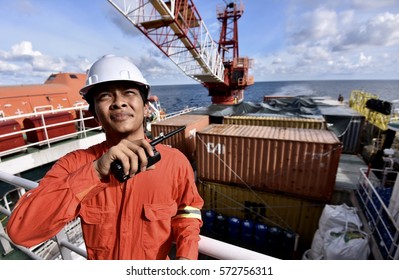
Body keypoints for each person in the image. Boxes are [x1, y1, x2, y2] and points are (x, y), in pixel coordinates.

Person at [7, 54, 204, 260]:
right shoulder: (75, 164)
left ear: (146, 108)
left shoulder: (175, 162)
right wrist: (95, 171)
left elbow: (188, 211)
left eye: (128, 93)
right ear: (95, 115)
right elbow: (20, 231)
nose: (119, 102)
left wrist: (186, 257)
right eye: (105, 96)